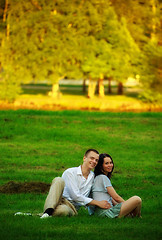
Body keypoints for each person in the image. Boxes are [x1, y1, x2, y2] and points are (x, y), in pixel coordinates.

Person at [41, 149, 111, 218]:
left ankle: (46, 215)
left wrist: (113, 204)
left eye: (96, 160)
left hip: (71, 207)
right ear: (84, 158)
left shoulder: (93, 177)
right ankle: (48, 211)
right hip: (58, 200)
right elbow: (75, 196)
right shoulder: (70, 172)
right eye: (92, 158)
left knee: (63, 211)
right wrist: (98, 203)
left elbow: (96, 193)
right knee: (58, 180)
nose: (94, 161)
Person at [92, 153, 142, 218]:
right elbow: (116, 198)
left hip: (101, 213)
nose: (110, 165)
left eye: (111, 162)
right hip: (106, 213)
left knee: (135, 204)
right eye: (106, 163)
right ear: (100, 166)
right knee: (137, 199)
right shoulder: (102, 178)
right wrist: (129, 205)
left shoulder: (98, 178)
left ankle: (134, 216)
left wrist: (126, 207)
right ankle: (137, 216)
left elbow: (112, 199)